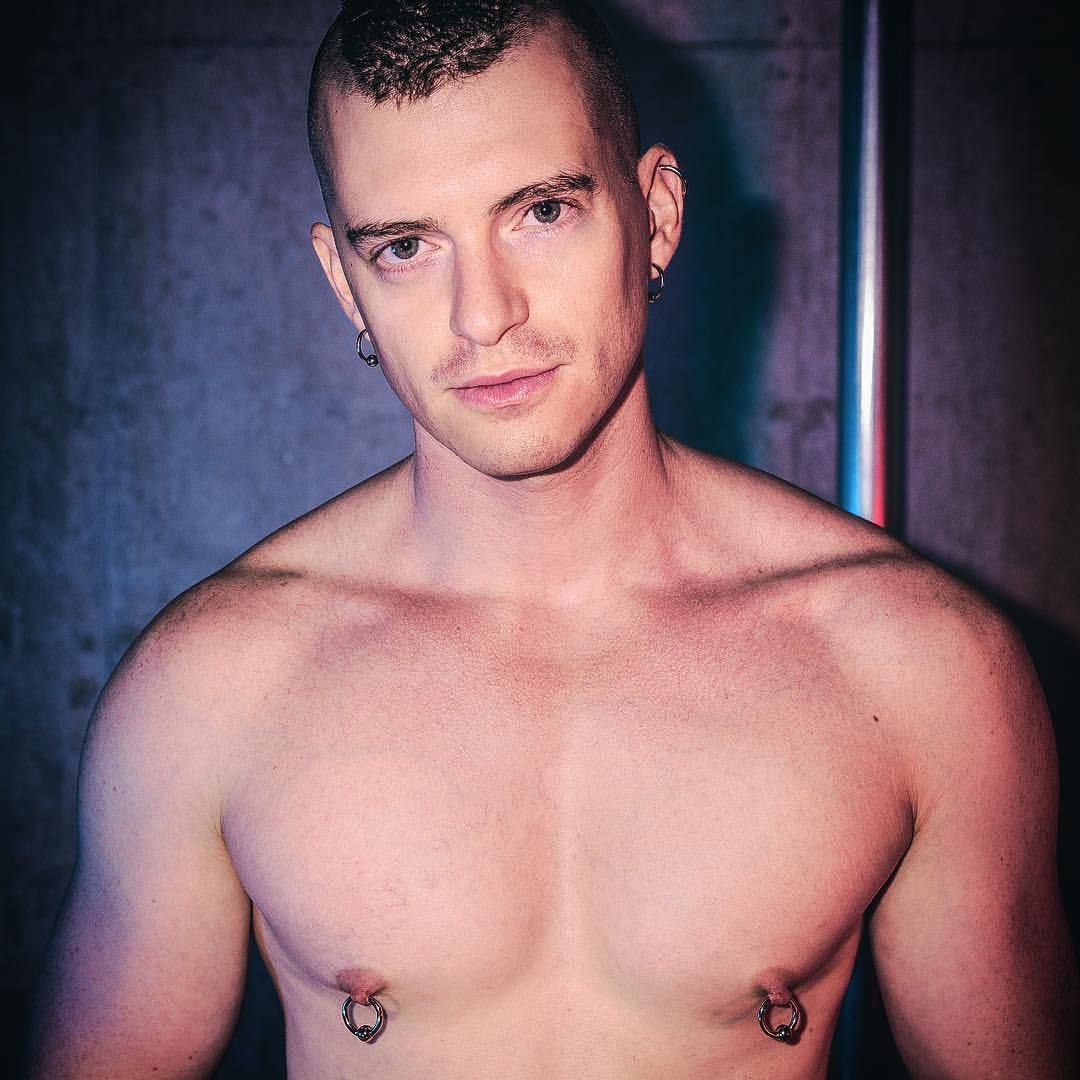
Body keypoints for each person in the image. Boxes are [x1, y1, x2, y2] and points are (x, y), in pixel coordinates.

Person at [27, 1, 1078, 1077]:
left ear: (656, 215)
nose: (483, 315)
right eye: (405, 246)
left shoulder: (918, 667)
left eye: (540, 212)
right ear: (345, 283)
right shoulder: (210, 689)